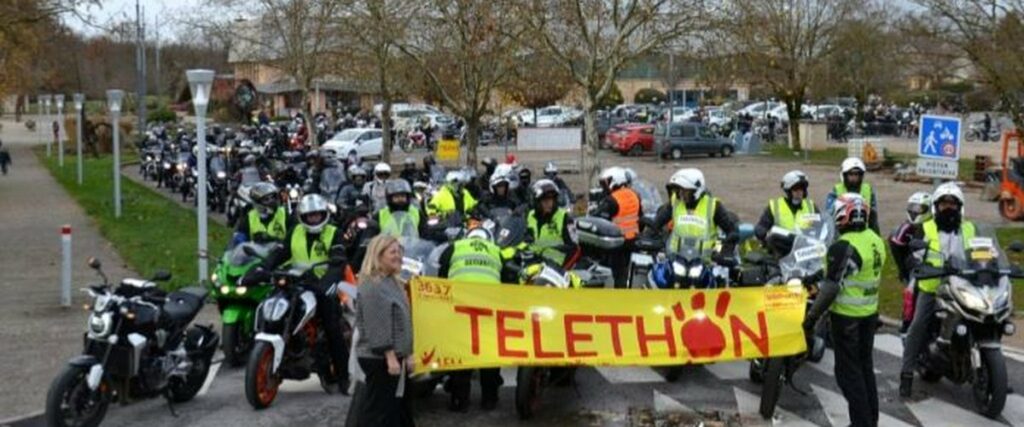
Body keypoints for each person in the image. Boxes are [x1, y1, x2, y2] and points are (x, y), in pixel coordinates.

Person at [252, 194, 354, 393]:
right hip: (295, 283)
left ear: (324, 214)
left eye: (317, 215)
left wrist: (328, 282)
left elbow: (338, 260)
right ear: (303, 217)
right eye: (310, 216)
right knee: (271, 304)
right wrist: (261, 269)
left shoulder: (334, 233)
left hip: (323, 287)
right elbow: (279, 253)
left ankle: (343, 377)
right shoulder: (294, 231)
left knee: (332, 328)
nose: (314, 219)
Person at [803, 193, 885, 427]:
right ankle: (870, 420)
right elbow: (850, 272)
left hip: (847, 319)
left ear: (842, 215)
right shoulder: (874, 239)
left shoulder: (843, 245)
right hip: (869, 314)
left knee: (848, 375)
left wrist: (811, 318)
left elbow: (830, 288)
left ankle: (860, 423)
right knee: (865, 369)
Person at [900, 183, 974, 398]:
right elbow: (914, 255)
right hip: (932, 288)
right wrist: (918, 263)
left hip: (963, 286)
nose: (948, 208)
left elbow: (981, 251)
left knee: (985, 318)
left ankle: (988, 369)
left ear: (959, 207)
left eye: (952, 204)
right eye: (944, 204)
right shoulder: (926, 228)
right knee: (917, 326)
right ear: (936, 206)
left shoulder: (969, 229)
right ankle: (906, 374)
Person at [348, 235, 415, 427]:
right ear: (378, 255)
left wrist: (408, 353)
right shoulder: (372, 284)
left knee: (398, 410)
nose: (399, 256)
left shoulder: (392, 282)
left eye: (399, 251)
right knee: (379, 413)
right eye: (393, 252)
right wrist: (390, 357)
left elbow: (402, 321)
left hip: (394, 357)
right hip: (380, 358)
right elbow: (377, 324)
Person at [437, 227, 504, 412]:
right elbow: (506, 282)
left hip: (460, 309)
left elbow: (442, 276)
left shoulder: (455, 247)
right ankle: (489, 399)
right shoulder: (496, 251)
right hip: (488, 309)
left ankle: (460, 400)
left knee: (461, 354)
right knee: (489, 354)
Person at [654, 168, 740, 261]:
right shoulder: (675, 202)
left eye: (685, 191)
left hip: (706, 263)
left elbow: (732, 231)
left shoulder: (713, 206)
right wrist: (649, 234)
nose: (681, 194)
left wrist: (723, 251)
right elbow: (658, 222)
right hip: (676, 259)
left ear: (696, 191)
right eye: (679, 190)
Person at [888, 192, 931, 334]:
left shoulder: (934, 225)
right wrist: (903, 269)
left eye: (919, 208)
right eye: (912, 207)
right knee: (910, 291)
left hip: (933, 265)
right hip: (915, 267)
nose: (914, 211)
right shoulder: (905, 227)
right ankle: (906, 323)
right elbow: (895, 244)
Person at [592, 167, 641, 288]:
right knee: (625, 272)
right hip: (633, 240)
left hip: (616, 242)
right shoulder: (634, 195)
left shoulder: (612, 200)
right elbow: (640, 216)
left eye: (607, 182)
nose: (605, 186)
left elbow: (598, 219)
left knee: (616, 273)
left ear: (615, 181)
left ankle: (614, 297)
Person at [754, 170, 818, 244]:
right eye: (795, 188)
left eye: (802, 188)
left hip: (805, 247)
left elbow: (821, 226)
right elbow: (762, 225)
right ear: (788, 190)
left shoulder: (810, 205)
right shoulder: (775, 206)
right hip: (781, 248)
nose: (799, 191)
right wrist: (761, 231)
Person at [526, 179, 579, 267]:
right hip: (533, 265)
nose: (549, 203)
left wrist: (562, 271)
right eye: (545, 200)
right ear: (537, 201)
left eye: (551, 199)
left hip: (556, 269)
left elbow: (575, 249)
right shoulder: (529, 216)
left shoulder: (564, 218)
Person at [826, 157, 879, 233]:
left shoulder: (868, 190)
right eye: (851, 174)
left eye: (857, 174)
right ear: (844, 175)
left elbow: (874, 218)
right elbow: (829, 217)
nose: (854, 178)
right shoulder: (836, 190)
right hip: (841, 233)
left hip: (864, 232)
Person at [232, 182, 289, 247]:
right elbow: (240, 236)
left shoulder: (285, 214)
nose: (272, 201)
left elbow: (292, 238)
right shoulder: (250, 217)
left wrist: (272, 239)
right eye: (267, 199)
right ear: (257, 202)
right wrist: (238, 241)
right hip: (256, 255)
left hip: (281, 254)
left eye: (273, 197)